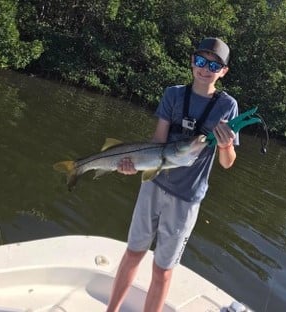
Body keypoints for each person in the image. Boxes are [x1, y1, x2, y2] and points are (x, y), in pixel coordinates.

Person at [106, 37, 239, 312]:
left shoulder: (228, 107)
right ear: (192, 62)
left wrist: (225, 144)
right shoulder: (174, 94)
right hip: (153, 185)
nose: (205, 69)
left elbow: (227, 163)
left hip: (187, 199)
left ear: (223, 71)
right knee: (132, 254)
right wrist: (134, 165)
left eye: (214, 65)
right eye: (201, 61)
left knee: (163, 270)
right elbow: (158, 142)